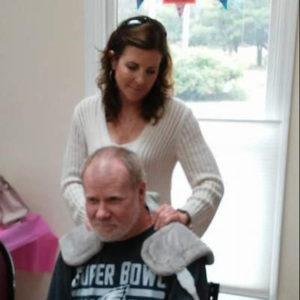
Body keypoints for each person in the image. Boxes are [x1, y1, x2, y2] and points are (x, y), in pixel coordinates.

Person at [61, 15, 224, 236]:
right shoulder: (85, 113)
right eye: (132, 67)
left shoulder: (177, 116)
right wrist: (90, 217)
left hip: (154, 243)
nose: (140, 80)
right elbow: (71, 180)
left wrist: (184, 215)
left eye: (151, 71)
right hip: (99, 243)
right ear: (113, 60)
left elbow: (210, 183)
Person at [48, 146, 214, 299]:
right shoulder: (73, 251)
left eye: (113, 200)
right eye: (92, 200)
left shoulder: (181, 251)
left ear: (141, 192)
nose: (101, 213)